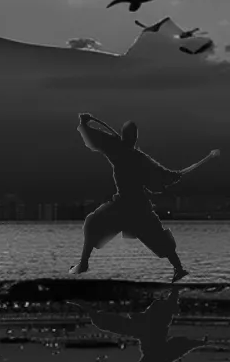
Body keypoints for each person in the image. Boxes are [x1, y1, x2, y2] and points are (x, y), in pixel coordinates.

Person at [72, 113, 218, 282]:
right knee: (93, 223)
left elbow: (161, 175)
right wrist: (84, 123)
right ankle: (83, 264)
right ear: (126, 136)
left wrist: (172, 176)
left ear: (134, 138)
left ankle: (178, 269)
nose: (131, 138)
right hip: (127, 204)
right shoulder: (120, 149)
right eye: (129, 135)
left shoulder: (132, 155)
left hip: (133, 205)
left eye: (133, 136)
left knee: (157, 236)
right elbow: (96, 138)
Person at [73, 286, 207, 362]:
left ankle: (86, 306)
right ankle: (174, 289)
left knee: (104, 322)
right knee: (166, 306)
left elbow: (181, 345)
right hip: (151, 327)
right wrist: (199, 343)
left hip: (145, 328)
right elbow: (182, 345)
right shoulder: (164, 358)